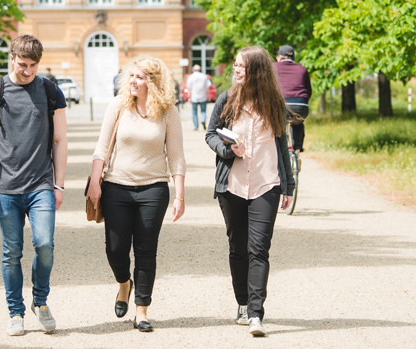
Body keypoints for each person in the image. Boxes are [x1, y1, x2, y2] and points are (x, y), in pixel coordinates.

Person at [0, 34, 68, 337]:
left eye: (33, 65)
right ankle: (15, 312)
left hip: (41, 184)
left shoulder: (51, 91)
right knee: (11, 251)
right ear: (12, 58)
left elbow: (60, 140)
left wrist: (59, 185)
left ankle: (41, 301)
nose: (28, 71)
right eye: (23, 64)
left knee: (44, 245)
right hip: (6, 186)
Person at [86, 55, 185, 333]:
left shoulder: (168, 112)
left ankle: (141, 310)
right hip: (116, 187)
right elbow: (101, 147)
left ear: (153, 83)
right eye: (131, 75)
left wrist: (180, 196)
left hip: (154, 189)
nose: (133, 81)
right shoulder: (118, 105)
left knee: (146, 251)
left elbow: (176, 156)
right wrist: (96, 182)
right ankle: (123, 283)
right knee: (116, 249)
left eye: (139, 77)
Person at [204, 46, 296, 337]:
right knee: (238, 247)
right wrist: (227, 150)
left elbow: (282, 146)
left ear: (256, 69)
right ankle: (242, 303)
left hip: (265, 185)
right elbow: (210, 135)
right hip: (231, 186)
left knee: (259, 249)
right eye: (235, 65)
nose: (236, 70)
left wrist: (288, 184)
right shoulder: (227, 100)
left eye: (241, 66)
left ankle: (256, 314)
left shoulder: (274, 104)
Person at [274, 45, 312, 153]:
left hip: (280, 105)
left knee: (277, 124)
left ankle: (278, 149)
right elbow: (308, 91)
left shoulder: (273, 67)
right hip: (301, 106)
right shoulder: (302, 69)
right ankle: (297, 149)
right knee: (297, 123)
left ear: (280, 58)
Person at [186, 64, 212, 130]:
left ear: (193, 70)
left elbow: (189, 89)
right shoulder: (204, 76)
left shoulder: (191, 77)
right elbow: (207, 87)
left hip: (194, 97)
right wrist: (208, 96)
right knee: (203, 111)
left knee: (194, 112)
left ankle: (196, 126)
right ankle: (203, 120)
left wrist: (189, 97)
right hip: (203, 97)